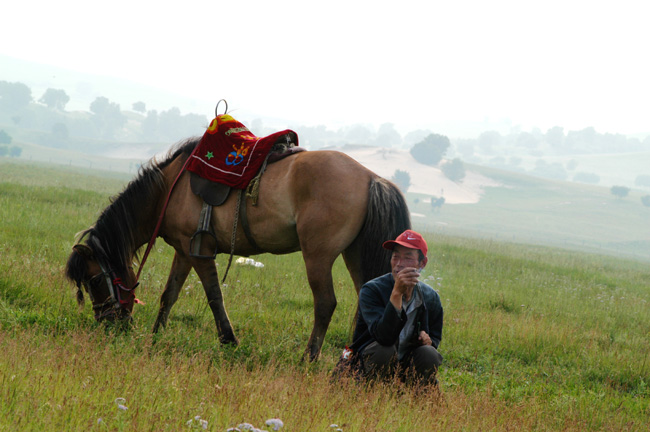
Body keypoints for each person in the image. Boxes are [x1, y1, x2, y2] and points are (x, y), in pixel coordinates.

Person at [343, 229, 443, 384]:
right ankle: (372, 389)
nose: (399, 264)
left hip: (404, 364)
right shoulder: (372, 290)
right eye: (395, 256)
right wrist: (396, 294)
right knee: (385, 349)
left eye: (408, 257)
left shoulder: (431, 298)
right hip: (365, 362)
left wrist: (428, 341)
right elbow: (384, 337)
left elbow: (435, 338)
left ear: (422, 263)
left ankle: (415, 391)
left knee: (428, 353)